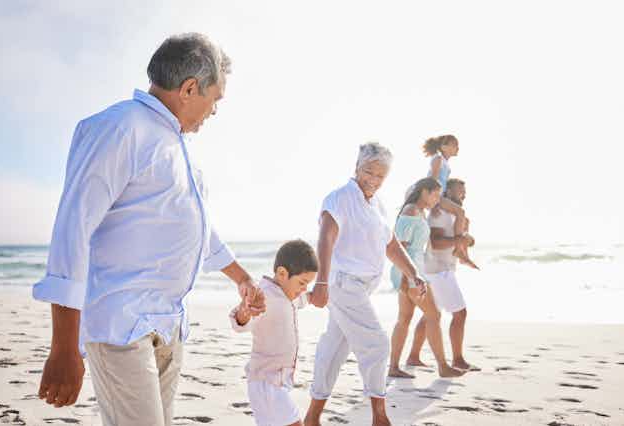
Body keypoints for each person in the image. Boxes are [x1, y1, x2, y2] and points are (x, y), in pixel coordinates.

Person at [32, 33, 266, 426]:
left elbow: (199, 231)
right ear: (190, 88)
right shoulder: (120, 128)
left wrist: (241, 278)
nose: (214, 111)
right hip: (121, 325)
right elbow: (72, 229)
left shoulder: (180, 149)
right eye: (216, 99)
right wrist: (63, 346)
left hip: (169, 326)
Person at [304, 142, 427, 426]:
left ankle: (312, 417)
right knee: (378, 345)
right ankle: (379, 417)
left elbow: (390, 243)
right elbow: (325, 238)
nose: (373, 179)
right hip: (343, 283)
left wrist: (413, 272)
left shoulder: (378, 205)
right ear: (357, 167)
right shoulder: (340, 197)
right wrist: (321, 281)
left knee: (333, 350)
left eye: (380, 176)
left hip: (360, 288)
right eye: (368, 172)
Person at [230, 240, 321, 426]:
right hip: (266, 383)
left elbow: (300, 300)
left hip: (277, 383)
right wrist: (244, 314)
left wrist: (312, 296)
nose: (304, 289)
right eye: (302, 283)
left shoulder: (289, 294)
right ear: (282, 273)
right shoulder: (264, 295)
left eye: (307, 284)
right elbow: (240, 322)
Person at [388, 178, 465, 379]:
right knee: (434, 315)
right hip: (410, 272)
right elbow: (399, 247)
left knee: (404, 319)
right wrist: (409, 276)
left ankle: (393, 367)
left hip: (413, 270)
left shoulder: (418, 212)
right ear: (424, 191)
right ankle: (442, 366)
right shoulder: (411, 211)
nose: (438, 199)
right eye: (435, 194)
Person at [409, 178, 479, 372]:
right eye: (459, 192)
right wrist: (460, 240)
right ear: (446, 194)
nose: (463, 195)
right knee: (460, 313)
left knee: (431, 315)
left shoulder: (452, 216)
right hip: (438, 270)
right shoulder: (440, 214)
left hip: (438, 269)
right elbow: (437, 243)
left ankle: (413, 356)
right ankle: (457, 360)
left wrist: (463, 243)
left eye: (464, 192)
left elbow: (457, 238)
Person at [423, 135, 478, 269]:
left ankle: (462, 251)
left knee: (465, 219)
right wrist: (433, 203)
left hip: (440, 196)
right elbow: (432, 180)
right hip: (435, 196)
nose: (457, 148)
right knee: (460, 212)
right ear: (443, 146)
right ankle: (459, 250)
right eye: (454, 145)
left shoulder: (445, 162)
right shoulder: (438, 159)